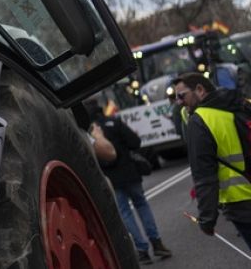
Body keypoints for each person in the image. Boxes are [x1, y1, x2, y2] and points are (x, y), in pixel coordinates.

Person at [172, 71, 251, 251]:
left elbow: (204, 176)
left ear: (199, 90)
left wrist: (207, 219)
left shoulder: (200, 120)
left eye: (181, 95)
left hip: (242, 200)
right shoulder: (241, 103)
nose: (178, 101)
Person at [87, 102, 172, 263]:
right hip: (130, 173)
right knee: (141, 204)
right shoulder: (115, 123)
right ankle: (157, 243)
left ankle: (142, 250)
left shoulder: (89, 132)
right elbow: (135, 142)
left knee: (125, 212)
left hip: (112, 179)